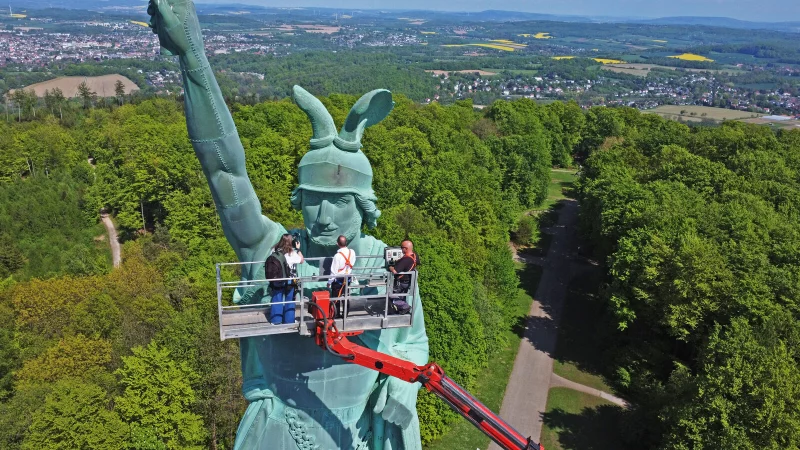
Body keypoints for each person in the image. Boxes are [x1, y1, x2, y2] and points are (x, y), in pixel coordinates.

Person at [149, 1, 429, 448]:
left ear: (362, 205)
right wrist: (193, 58)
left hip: (352, 436)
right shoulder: (271, 248)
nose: (322, 215)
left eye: (337, 202)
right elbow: (225, 174)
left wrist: (405, 386)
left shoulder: (387, 265)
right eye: (312, 201)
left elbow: (413, 343)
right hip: (280, 435)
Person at [266, 234, 296, 325]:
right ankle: (289, 321)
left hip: (277, 279)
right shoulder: (291, 252)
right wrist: (298, 249)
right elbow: (301, 260)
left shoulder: (273, 250)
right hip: (289, 279)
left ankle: (275, 321)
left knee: (277, 298)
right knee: (290, 299)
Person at [389, 240, 419, 315]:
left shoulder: (406, 260)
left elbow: (395, 271)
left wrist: (390, 267)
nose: (401, 249)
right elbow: (417, 263)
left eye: (402, 247)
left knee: (391, 295)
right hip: (408, 281)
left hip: (401, 282)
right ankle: (402, 309)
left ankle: (405, 307)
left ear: (406, 248)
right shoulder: (415, 256)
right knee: (402, 296)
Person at [329, 235, 356, 317]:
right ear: (346, 243)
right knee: (346, 297)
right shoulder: (352, 252)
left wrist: (329, 282)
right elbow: (353, 262)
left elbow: (333, 271)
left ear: (337, 243)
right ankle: (345, 315)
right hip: (347, 278)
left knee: (336, 298)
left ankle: (336, 315)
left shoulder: (337, 256)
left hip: (339, 280)